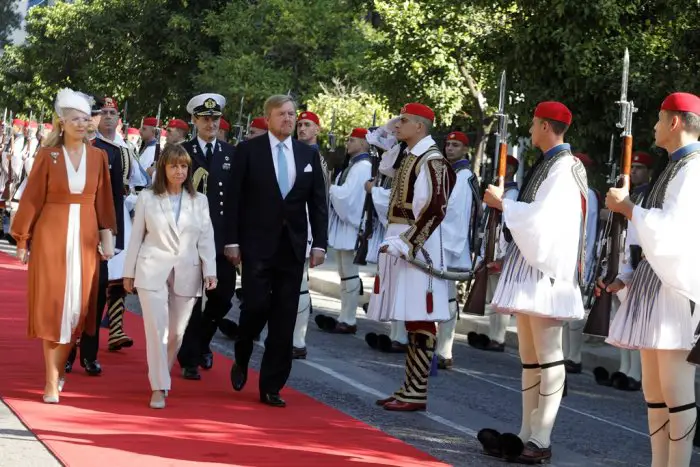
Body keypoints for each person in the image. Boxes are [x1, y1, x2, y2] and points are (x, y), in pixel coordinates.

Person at [477, 101, 587, 463]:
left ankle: (541, 437)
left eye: (533, 123)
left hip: (548, 271)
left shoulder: (564, 168)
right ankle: (525, 432)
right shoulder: (548, 164)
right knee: (529, 356)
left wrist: (504, 204)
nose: (529, 128)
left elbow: (545, 220)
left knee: (549, 354)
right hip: (529, 267)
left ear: (544, 126)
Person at [603, 92, 700, 467]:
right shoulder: (675, 166)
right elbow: (650, 229)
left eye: (660, 119)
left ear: (675, 122)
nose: (655, 126)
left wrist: (629, 209)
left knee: (677, 392)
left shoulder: (692, 169)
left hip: (677, 290)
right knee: (655, 392)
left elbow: (677, 232)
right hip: (654, 285)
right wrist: (626, 273)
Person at [11, 88, 117, 403]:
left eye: (86, 119)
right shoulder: (48, 155)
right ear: (62, 122)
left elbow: (105, 203)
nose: (82, 124)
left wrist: (107, 239)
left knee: (77, 309)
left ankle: (60, 371)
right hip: (50, 237)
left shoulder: (98, 157)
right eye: (76, 119)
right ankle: (51, 378)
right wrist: (22, 238)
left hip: (85, 239)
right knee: (53, 307)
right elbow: (31, 199)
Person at [226, 94, 328, 408]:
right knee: (255, 307)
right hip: (257, 244)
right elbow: (233, 200)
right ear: (268, 117)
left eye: (292, 114)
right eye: (282, 114)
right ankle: (242, 353)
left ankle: (271, 385)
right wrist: (232, 241)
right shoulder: (248, 150)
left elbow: (318, 203)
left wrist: (320, 243)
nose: (288, 119)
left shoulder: (307, 155)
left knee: (285, 318)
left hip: (293, 247)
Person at [368, 103, 456, 412]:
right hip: (403, 239)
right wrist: (389, 130)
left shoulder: (432, 161)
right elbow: (384, 164)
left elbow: (435, 209)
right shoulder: (412, 155)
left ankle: (417, 390)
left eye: (403, 120)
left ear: (419, 126)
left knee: (421, 317)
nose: (397, 124)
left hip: (418, 245)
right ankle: (410, 387)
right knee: (411, 316)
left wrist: (408, 244)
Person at [123, 144, 217, 409]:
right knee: (157, 330)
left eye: (184, 166)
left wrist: (211, 270)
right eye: (173, 166)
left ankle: (158, 372)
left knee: (175, 334)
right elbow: (136, 238)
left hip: (188, 271)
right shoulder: (148, 198)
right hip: (151, 269)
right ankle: (159, 386)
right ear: (164, 168)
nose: (179, 171)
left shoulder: (200, 201)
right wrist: (128, 273)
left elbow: (207, 238)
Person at [65, 95, 128, 376]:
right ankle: (66, 349)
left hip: (97, 234)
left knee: (97, 294)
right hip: (67, 233)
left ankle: (89, 354)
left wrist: (111, 238)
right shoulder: (61, 151)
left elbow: (113, 198)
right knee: (70, 296)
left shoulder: (107, 153)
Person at [176, 93, 236, 380]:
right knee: (189, 298)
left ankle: (201, 343)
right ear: (195, 121)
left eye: (215, 119)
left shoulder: (230, 154)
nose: (211, 123)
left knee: (222, 297)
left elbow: (238, 200)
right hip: (189, 238)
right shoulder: (181, 152)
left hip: (222, 239)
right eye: (205, 118)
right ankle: (189, 357)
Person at [316, 128, 372, 335]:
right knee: (344, 273)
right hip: (345, 226)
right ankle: (345, 316)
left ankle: (349, 319)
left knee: (349, 273)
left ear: (364, 144)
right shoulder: (353, 166)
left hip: (352, 227)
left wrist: (329, 187)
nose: (348, 143)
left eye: (352, 140)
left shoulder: (363, 167)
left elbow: (349, 197)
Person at [468, 155, 519, 353]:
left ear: (511, 170)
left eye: (504, 168)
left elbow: (507, 226)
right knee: (491, 298)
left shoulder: (511, 193)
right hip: (490, 248)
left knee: (500, 298)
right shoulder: (497, 191)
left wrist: (502, 255)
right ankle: (493, 335)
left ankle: (499, 337)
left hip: (500, 250)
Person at [436, 131, 477, 369]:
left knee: (448, 295)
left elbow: (455, 213)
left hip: (451, 243)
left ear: (465, 150)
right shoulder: (451, 172)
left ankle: (445, 350)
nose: (450, 148)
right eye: (448, 144)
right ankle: (439, 348)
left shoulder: (463, 175)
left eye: (456, 145)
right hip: (443, 241)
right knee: (442, 295)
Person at [562, 152, 600, 375]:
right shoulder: (569, 193)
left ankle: (574, 356)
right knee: (564, 311)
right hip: (564, 258)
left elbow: (589, 231)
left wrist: (584, 263)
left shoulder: (589, 195)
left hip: (577, 260)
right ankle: (566, 354)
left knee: (574, 311)